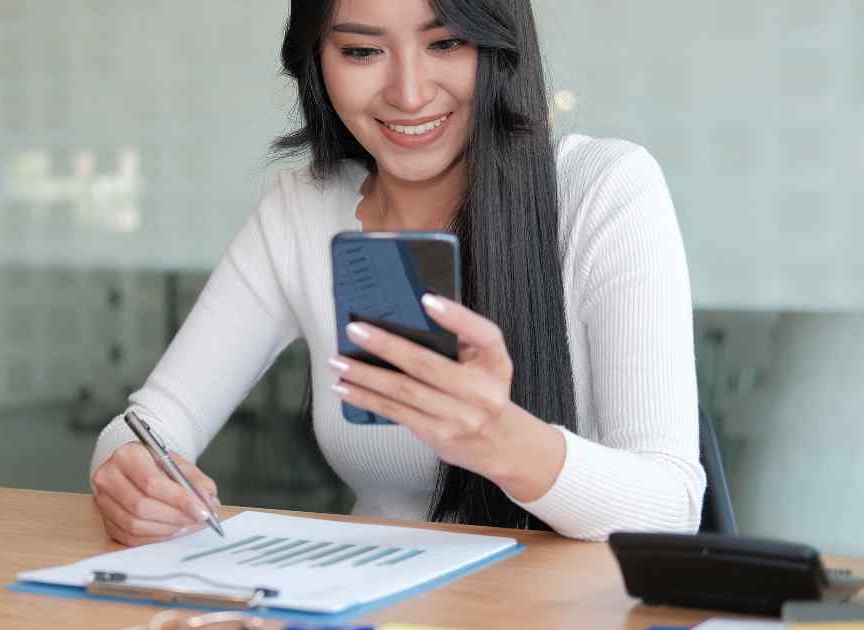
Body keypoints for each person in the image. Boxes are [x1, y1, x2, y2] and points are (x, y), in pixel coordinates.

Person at [88, 0, 705, 546]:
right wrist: (130, 473)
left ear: (498, 44)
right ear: (315, 61)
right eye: (361, 50)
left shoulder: (604, 192)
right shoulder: (302, 210)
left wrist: (501, 439)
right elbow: (148, 424)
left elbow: (671, 507)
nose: (409, 94)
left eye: (446, 43)